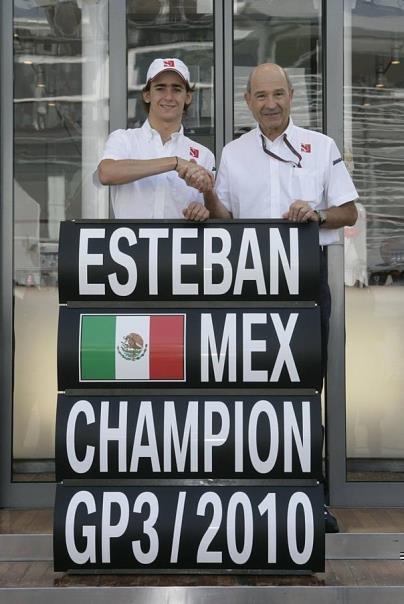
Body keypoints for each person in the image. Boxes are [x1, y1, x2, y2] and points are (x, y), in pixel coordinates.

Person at [205, 63, 359, 533]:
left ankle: (313, 503)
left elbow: (349, 211)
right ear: (248, 102)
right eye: (260, 96)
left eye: (278, 94)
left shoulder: (321, 147)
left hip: (306, 287)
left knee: (304, 398)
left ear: (292, 95)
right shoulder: (232, 153)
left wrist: (314, 213)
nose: (270, 103)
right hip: (247, 288)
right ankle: (251, 501)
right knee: (249, 397)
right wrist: (205, 197)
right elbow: (224, 218)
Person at [97, 58, 214, 221]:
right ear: (147, 95)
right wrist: (174, 162)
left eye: (177, 89)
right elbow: (106, 173)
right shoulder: (124, 139)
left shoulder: (204, 154)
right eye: (160, 88)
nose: (168, 97)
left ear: (188, 97)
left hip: (181, 246)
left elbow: (212, 210)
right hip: (130, 245)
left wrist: (201, 210)